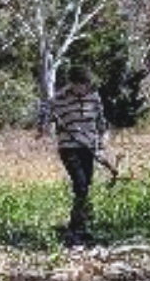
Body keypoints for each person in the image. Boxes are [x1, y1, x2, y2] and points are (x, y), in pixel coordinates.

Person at [38, 65, 108, 246]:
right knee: (81, 184)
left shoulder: (94, 97)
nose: (83, 88)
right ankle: (76, 227)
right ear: (72, 84)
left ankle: (79, 225)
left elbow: (101, 123)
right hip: (69, 147)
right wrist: (43, 125)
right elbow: (45, 109)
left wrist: (101, 147)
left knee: (86, 185)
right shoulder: (60, 98)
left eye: (86, 84)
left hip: (89, 147)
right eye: (80, 85)